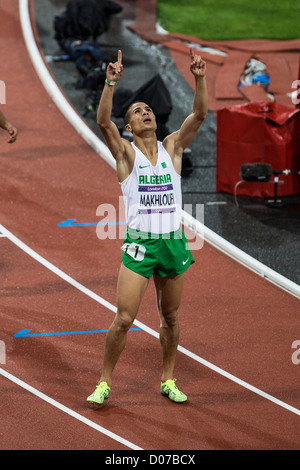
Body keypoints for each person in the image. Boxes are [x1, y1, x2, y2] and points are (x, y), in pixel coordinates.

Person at [87, 48, 208, 407]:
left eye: (148, 109)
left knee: (170, 316)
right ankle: (104, 382)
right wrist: (111, 82)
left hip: (172, 241)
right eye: (138, 112)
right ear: (130, 126)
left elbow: (200, 114)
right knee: (124, 318)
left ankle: (168, 379)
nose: (146, 112)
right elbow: (103, 122)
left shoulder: (173, 148)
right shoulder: (126, 155)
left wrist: (199, 77)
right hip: (140, 243)